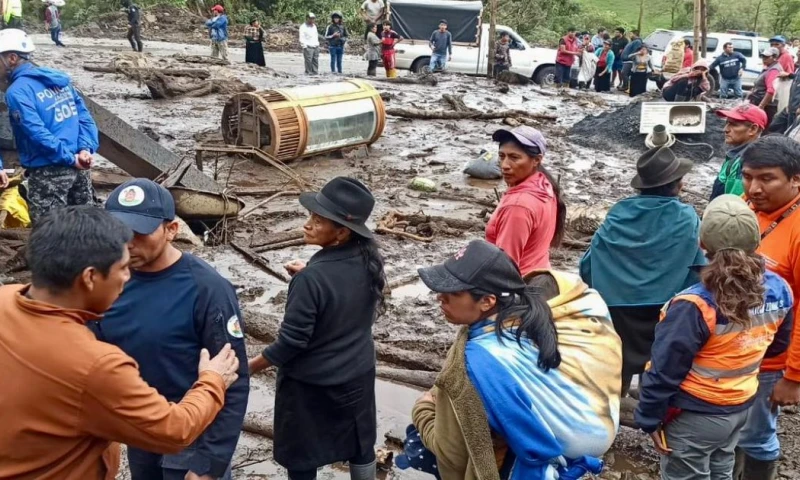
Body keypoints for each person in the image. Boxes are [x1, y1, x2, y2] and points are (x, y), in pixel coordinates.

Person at [0, 206, 241, 479]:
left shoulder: (5, 299)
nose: (128, 277)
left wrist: (211, 460)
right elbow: (174, 431)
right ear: (90, 277)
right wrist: (213, 380)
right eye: (123, 269)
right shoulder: (96, 365)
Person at [407, 239, 621, 479]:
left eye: (453, 293)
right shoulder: (558, 312)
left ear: (488, 301)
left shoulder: (474, 365)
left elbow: (452, 456)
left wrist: (423, 409)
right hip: (574, 455)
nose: (440, 298)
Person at [93, 179, 250, 480]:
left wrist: (209, 464)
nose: (127, 243)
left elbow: (235, 378)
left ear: (172, 230)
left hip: (194, 434)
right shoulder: (107, 280)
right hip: (141, 427)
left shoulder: (207, 289)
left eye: (140, 233)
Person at [635, 194, 793, 480]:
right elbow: (777, 347)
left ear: (703, 244)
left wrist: (649, 418)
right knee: (721, 468)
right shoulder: (780, 288)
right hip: (741, 406)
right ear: (757, 242)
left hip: (696, 413)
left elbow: (664, 371)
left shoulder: (694, 305)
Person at [248, 177, 387, 480]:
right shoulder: (368, 261)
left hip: (310, 387)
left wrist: (248, 368)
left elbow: (291, 342)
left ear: (341, 232)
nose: (307, 224)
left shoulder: (312, 279)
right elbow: (342, 296)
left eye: (318, 220)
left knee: (302, 456)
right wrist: (310, 273)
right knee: (360, 443)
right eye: (310, 216)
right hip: (356, 377)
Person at [581, 146, 705, 395]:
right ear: (677, 185)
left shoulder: (619, 213)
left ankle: (614, 408)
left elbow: (588, 264)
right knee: (659, 367)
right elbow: (698, 267)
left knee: (617, 366)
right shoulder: (687, 217)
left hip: (618, 312)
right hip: (664, 311)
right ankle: (650, 409)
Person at [735, 136, 800, 480]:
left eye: (766, 178)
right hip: (734, 348)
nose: (754, 188)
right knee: (731, 425)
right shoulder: (747, 208)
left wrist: (793, 377)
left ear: (795, 179)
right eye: (748, 176)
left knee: (757, 434)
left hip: (772, 358)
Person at [0, 29, 98, 224]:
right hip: (80, 168)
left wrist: (70, 158)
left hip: (49, 171)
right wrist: (85, 149)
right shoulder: (58, 80)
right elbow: (84, 118)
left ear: (11, 58)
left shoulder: (17, 92)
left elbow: (36, 132)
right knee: (84, 227)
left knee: (50, 233)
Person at [485, 126, 565, 274]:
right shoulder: (544, 185)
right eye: (502, 156)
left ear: (536, 160)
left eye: (514, 158)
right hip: (540, 278)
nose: (504, 165)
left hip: (520, 286)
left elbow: (505, 268)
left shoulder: (518, 206)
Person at [710, 104, 767, 199]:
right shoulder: (738, 155)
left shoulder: (747, 162)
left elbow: (734, 205)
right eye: (727, 123)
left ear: (753, 129)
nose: (725, 129)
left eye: (733, 124)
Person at [747, 48, 783, 126]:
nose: (764, 59)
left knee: (761, 126)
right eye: (763, 57)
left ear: (774, 57)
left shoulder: (774, 70)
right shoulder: (769, 67)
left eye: (766, 57)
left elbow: (771, 90)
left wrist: (761, 106)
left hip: (767, 106)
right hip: (761, 101)